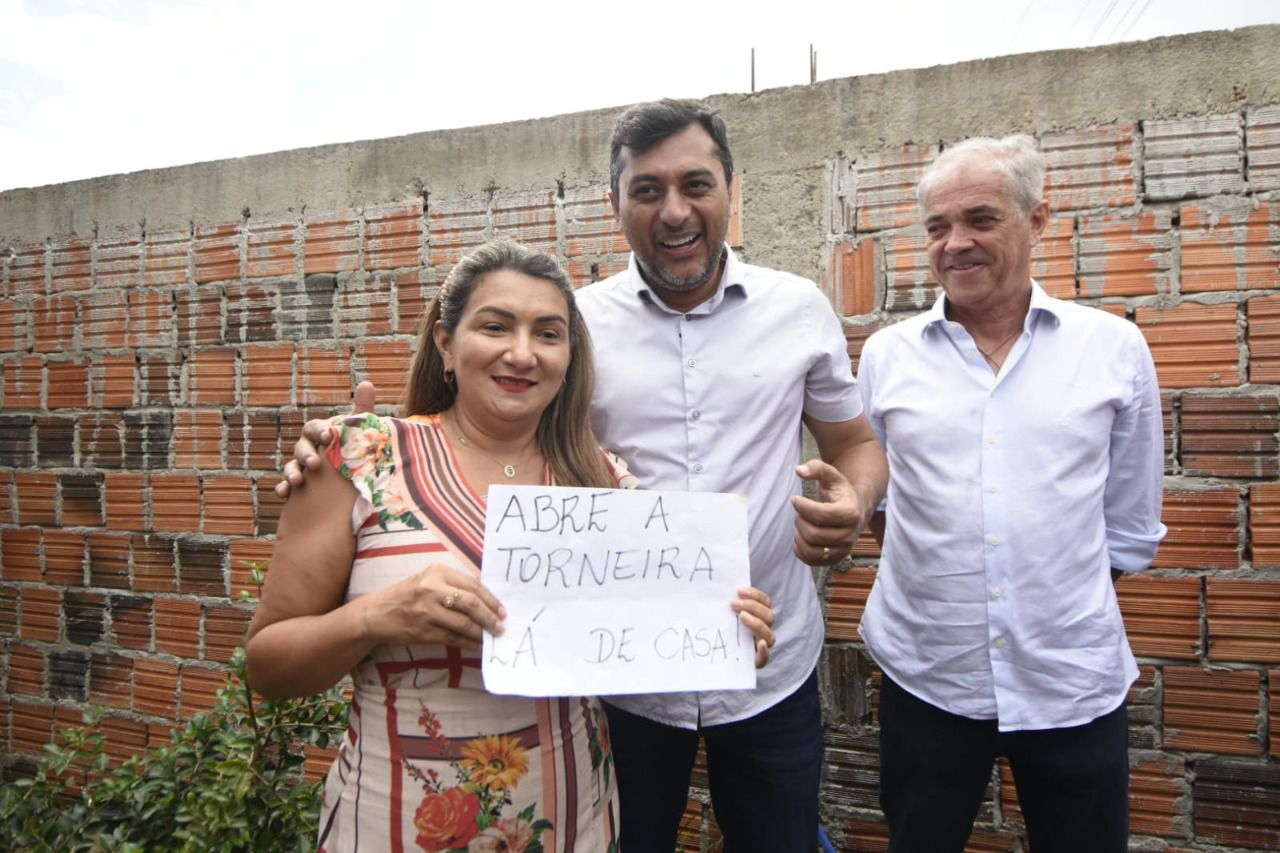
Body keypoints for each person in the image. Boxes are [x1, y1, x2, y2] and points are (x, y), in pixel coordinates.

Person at [279, 100, 889, 852]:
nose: (674, 210)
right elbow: (485, 435)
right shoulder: (575, 325)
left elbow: (857, 441)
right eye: (647, 190)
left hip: (768, 661)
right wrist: (350, 450)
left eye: (696, 184)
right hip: (614, 688)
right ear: (616, 203)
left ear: (733, 187)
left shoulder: (798, 309)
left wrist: (855, 500)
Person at [246, 240, 778, 852]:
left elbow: (661, 621)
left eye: (548, 334)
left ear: (568, 357)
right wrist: (376, 615)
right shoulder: (360, 456)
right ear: (446, 342)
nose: (522, 354)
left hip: (574, 818)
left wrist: (732, 629)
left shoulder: (601, 481)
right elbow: (268, 666)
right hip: (399, 821)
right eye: (495, 326)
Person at [855, 134, 1167, 853]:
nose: (955, 243)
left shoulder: (1113, 349)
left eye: (980, 219)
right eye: (937, 226)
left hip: (1069, 676)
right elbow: (883, 508)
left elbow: (1126, 525)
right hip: (927, 672)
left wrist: (1043, 596)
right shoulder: (887, 356)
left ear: (1037, 220)